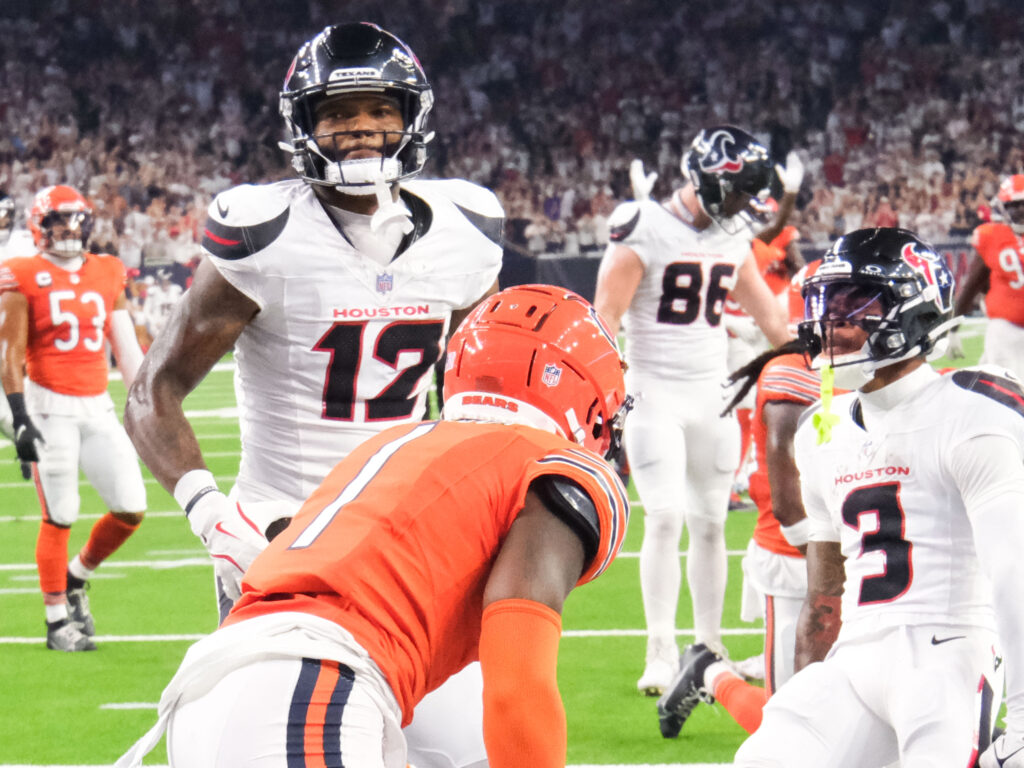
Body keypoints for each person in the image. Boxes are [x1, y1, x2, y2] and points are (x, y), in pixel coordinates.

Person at [123, 22, 503, 768]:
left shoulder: (467, 229)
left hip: (411, 534)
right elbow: (153, 388)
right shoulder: (266, 233)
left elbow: (478, 389)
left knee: (462, 749)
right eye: (337, 112)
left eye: (379, 109)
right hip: (280, 532)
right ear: (304, 126)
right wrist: (213, 518)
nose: (360, 127)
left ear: (411, 117)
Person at [115, 284, 632, 768]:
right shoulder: (556, 463)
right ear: (587, 393)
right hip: (311, 689)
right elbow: (517, 685)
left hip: (227, 685)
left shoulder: (395, 443)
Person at [735, 227, 1021, 768]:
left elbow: (1014, 570)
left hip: (950, 652)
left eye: (853, 306)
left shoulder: (973, 408)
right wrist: (810, 681)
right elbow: (822, 604)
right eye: (826, 304)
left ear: (912, 310)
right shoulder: (824, 427)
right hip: (855, 659)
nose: (830, 324)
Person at [595, 125, 791, 696]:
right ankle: (659, 647)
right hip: (653, 387)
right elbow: (606, 321)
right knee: (664, 516)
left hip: (714, 391)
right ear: (705, 181)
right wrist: (603, 403)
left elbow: (773, 321)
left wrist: (817, 365)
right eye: (734, 192)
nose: (740, 207)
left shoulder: (733, 237)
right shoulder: (643, 226)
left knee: (709, 524)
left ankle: (709, 646)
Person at [658, 329, 831, 738]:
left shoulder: (878, 369)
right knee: (793, 728)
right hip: (796, 554)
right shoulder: (795, 371)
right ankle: (710, 673)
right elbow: (789, 506)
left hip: (855, 552)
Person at [0, 184, 146, 652]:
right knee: (60, 514)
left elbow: (125, 344)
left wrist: (147, 398)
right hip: (47, 407)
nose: (70, 228)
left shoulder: (107, 269)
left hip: (97, 403)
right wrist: (19, 416)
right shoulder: (21, 272)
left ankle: (77, 575)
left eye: (77, 219)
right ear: (39, 226)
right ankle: (56, 620)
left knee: (130, 507)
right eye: (59, 220)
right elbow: (11, 350)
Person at [951, 173, 1024, 378]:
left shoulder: (992, 236)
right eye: (1014, 206)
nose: (1019, 211)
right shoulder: (993, 236)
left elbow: (972, 287)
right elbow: (973, 285)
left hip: (1004, 330)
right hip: (1005, 330)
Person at [141, 268, 183, 341]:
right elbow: (146, 310)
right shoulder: (153, 292)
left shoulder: (176, 290)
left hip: (172, 322)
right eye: (163, 282)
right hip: (157, 322)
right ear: (159, 282)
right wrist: (154, 322)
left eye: (167, 281)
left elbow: (181, 309)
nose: (165, 284)